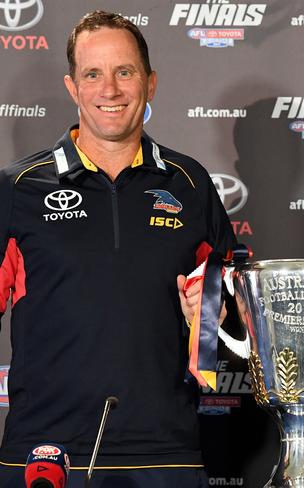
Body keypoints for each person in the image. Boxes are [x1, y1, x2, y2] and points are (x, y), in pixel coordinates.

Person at [0, 11, 235, 487]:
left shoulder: (190, 184)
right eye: (93, 74)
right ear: (72, 87)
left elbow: (236, 311)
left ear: (150, 83)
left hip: (166, 451)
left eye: (124, 72)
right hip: (44, 452)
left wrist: (215, 313)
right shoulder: (16, 188)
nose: (109, 90)